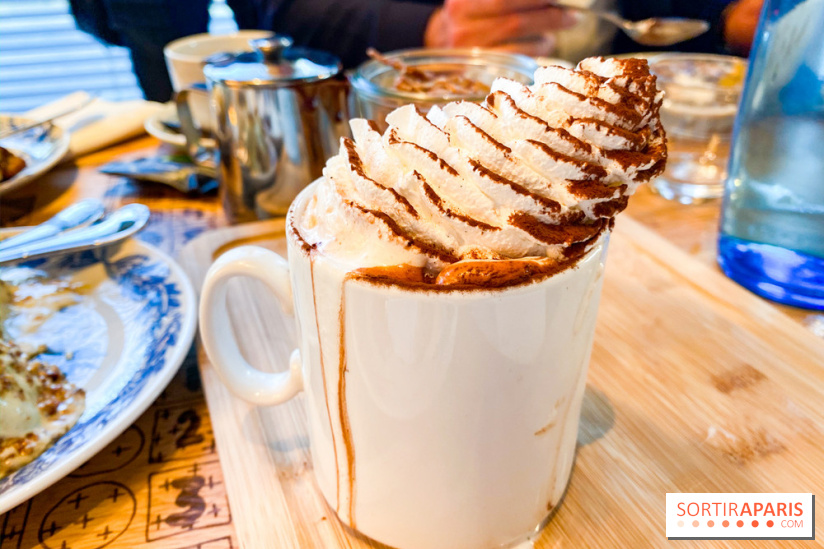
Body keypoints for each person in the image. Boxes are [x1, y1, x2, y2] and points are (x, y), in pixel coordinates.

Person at [71, 0, 764, 102]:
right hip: (402, 105)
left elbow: (675, 11)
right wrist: (431, 32)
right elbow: (276, 9)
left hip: (613, 112)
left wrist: (732, 14)